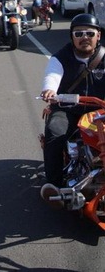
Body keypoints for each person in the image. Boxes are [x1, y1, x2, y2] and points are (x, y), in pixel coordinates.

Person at [39, 14, 105, 202]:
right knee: (56, 132)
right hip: (67, 108)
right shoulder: (60, 57)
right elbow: (52, 75)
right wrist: (49, 90)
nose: (84, 37)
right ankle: (54, 183)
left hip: (99, 111)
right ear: (72, 37)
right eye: (79, 33)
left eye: (89, 33)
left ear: (98, 35)